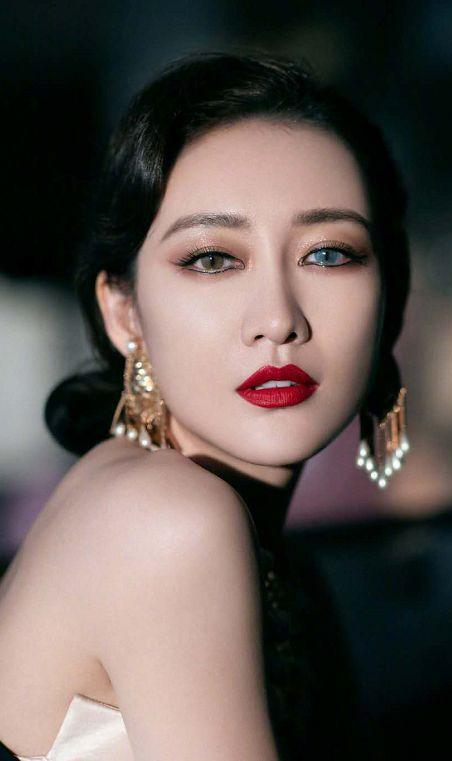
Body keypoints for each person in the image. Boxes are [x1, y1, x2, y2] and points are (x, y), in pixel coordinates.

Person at [0, 49, 411, 760]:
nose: (277, 319)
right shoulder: (167, 519)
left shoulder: (286, 569)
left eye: (328, 254)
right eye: (212, 259)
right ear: (123, 312)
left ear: (390, 299)